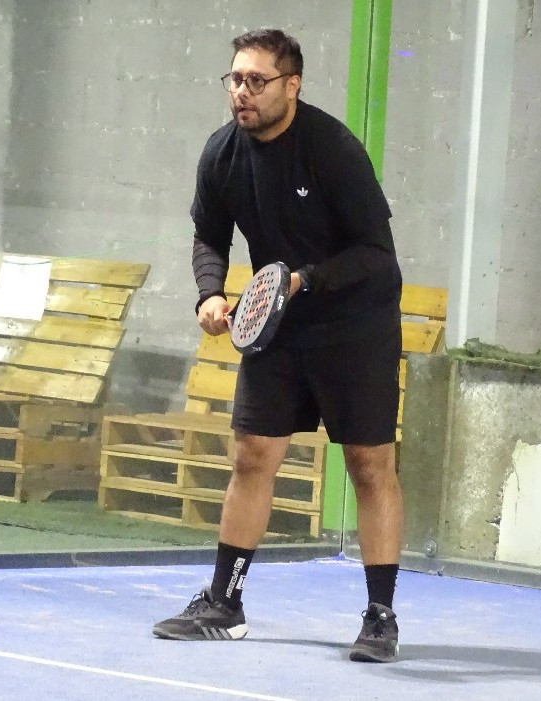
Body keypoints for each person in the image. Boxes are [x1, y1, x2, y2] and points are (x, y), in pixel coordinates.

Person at [152, 28, 403, 664]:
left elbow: (376, 253)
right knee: (252, 455)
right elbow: (209, 235)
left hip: (355, 325)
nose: (242, 92)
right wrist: (210, 293)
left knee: (369, 465)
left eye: (257, 81)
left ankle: (380, 618)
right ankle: (224, 603)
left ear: (292, 85)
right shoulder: (221, 153)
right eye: (235, 79)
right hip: (278, 324)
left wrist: (303, 280)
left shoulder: (333, 150)